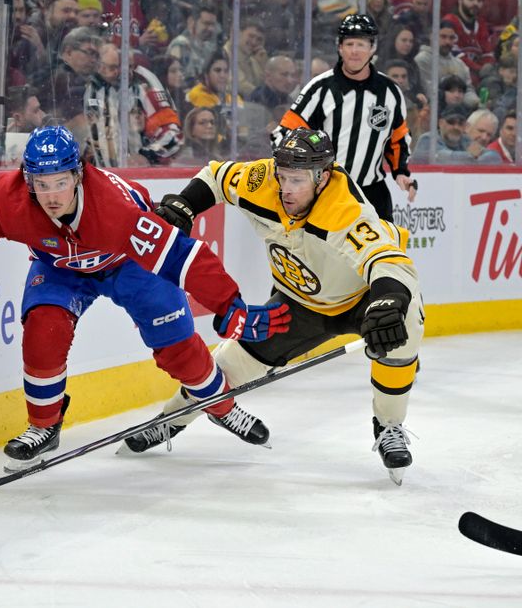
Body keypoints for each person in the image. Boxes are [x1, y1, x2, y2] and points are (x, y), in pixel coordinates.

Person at [0, 125, 291, 472]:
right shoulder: (10, 198)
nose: (52, 195)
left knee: (179, 350)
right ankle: (44, 425)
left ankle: (222, 408)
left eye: (60, 183)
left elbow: (183, 254)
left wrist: (228, 304)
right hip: (60, 268)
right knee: (43, 330)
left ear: (78, 175)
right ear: (27, 180)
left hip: (130, 264)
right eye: (41, 185)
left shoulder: (115, 210)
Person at [136, 128, 424, 485]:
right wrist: (186, 203)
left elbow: (387, 259)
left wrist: (387, 299)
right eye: (282, 176)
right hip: (298, 303)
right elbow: (216, 176)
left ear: (322, 177)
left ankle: (389, 426)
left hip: (358, 299)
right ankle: (170, 421)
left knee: (404, 325)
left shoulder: (345, 209)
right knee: (225, 369)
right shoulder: (263, 181)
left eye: (297, 180)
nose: (285, 189)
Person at [273, 13, 417, 223]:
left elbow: (398, 138)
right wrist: (294, 175)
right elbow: (285, 133)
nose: (355, 51)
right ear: (339, 47)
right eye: (349, 44)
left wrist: (400, 172)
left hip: (373, 194)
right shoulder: (321, 88)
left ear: (373, 48)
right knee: (324, 255)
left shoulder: (390, 91)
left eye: (361, 44)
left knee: (382, 255)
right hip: (327, 192)